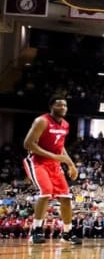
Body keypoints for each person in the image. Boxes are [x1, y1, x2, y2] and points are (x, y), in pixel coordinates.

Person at [22, 95, 81, 245]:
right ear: (51, 107)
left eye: (65, 106)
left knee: (66, 197)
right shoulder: (42, 121)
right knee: (46, 191)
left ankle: (67, 233)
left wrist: (71, 164)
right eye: (59, 105)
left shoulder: (65, 125)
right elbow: (28, 144)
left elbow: (60, 147)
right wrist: (54, 156)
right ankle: (36, 230)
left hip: (54, 164)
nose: (63, 108)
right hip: (37, 161)